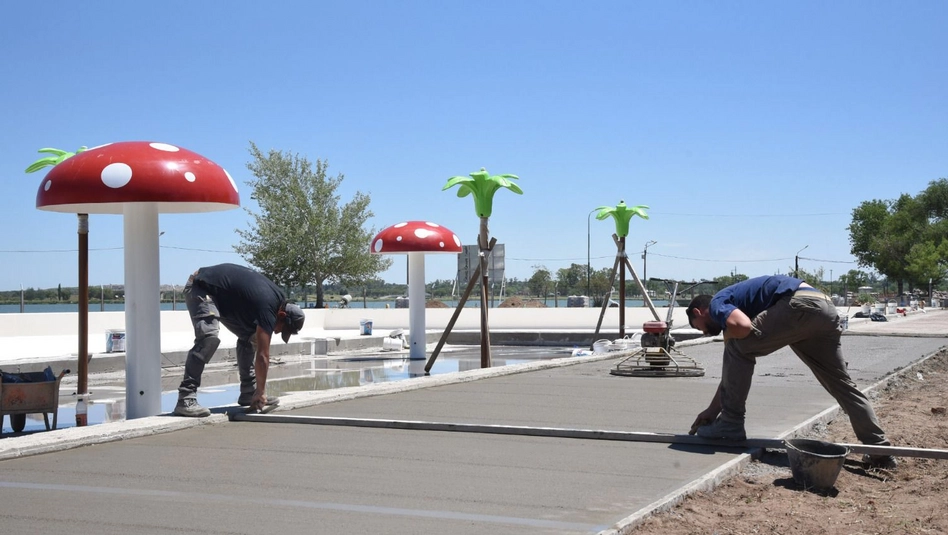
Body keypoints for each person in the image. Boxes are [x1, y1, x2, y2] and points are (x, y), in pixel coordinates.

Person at [685, 274, 896, 469]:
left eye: (699, 327)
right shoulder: (737, 302)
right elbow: (733, 373)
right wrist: (712, 411)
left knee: (736, 345)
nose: (703, 332)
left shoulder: (716, 303)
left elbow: (742, 328)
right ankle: (879, 449)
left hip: (798, 305)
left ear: (698, 312)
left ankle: (731, 424)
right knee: (841, 384)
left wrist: (730, 336)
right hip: (824, 308)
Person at [174, 263, 305, 417]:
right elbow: (263, 356)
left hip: (222, 296)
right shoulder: (269, 308)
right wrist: (262, 391)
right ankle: (185, 398)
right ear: (282, 316)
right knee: (208, 338)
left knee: (250, 338)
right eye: (281, 329)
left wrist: (258, 391)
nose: (276, 331)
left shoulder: (276, 302)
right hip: (201, 286)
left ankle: (249, 393)